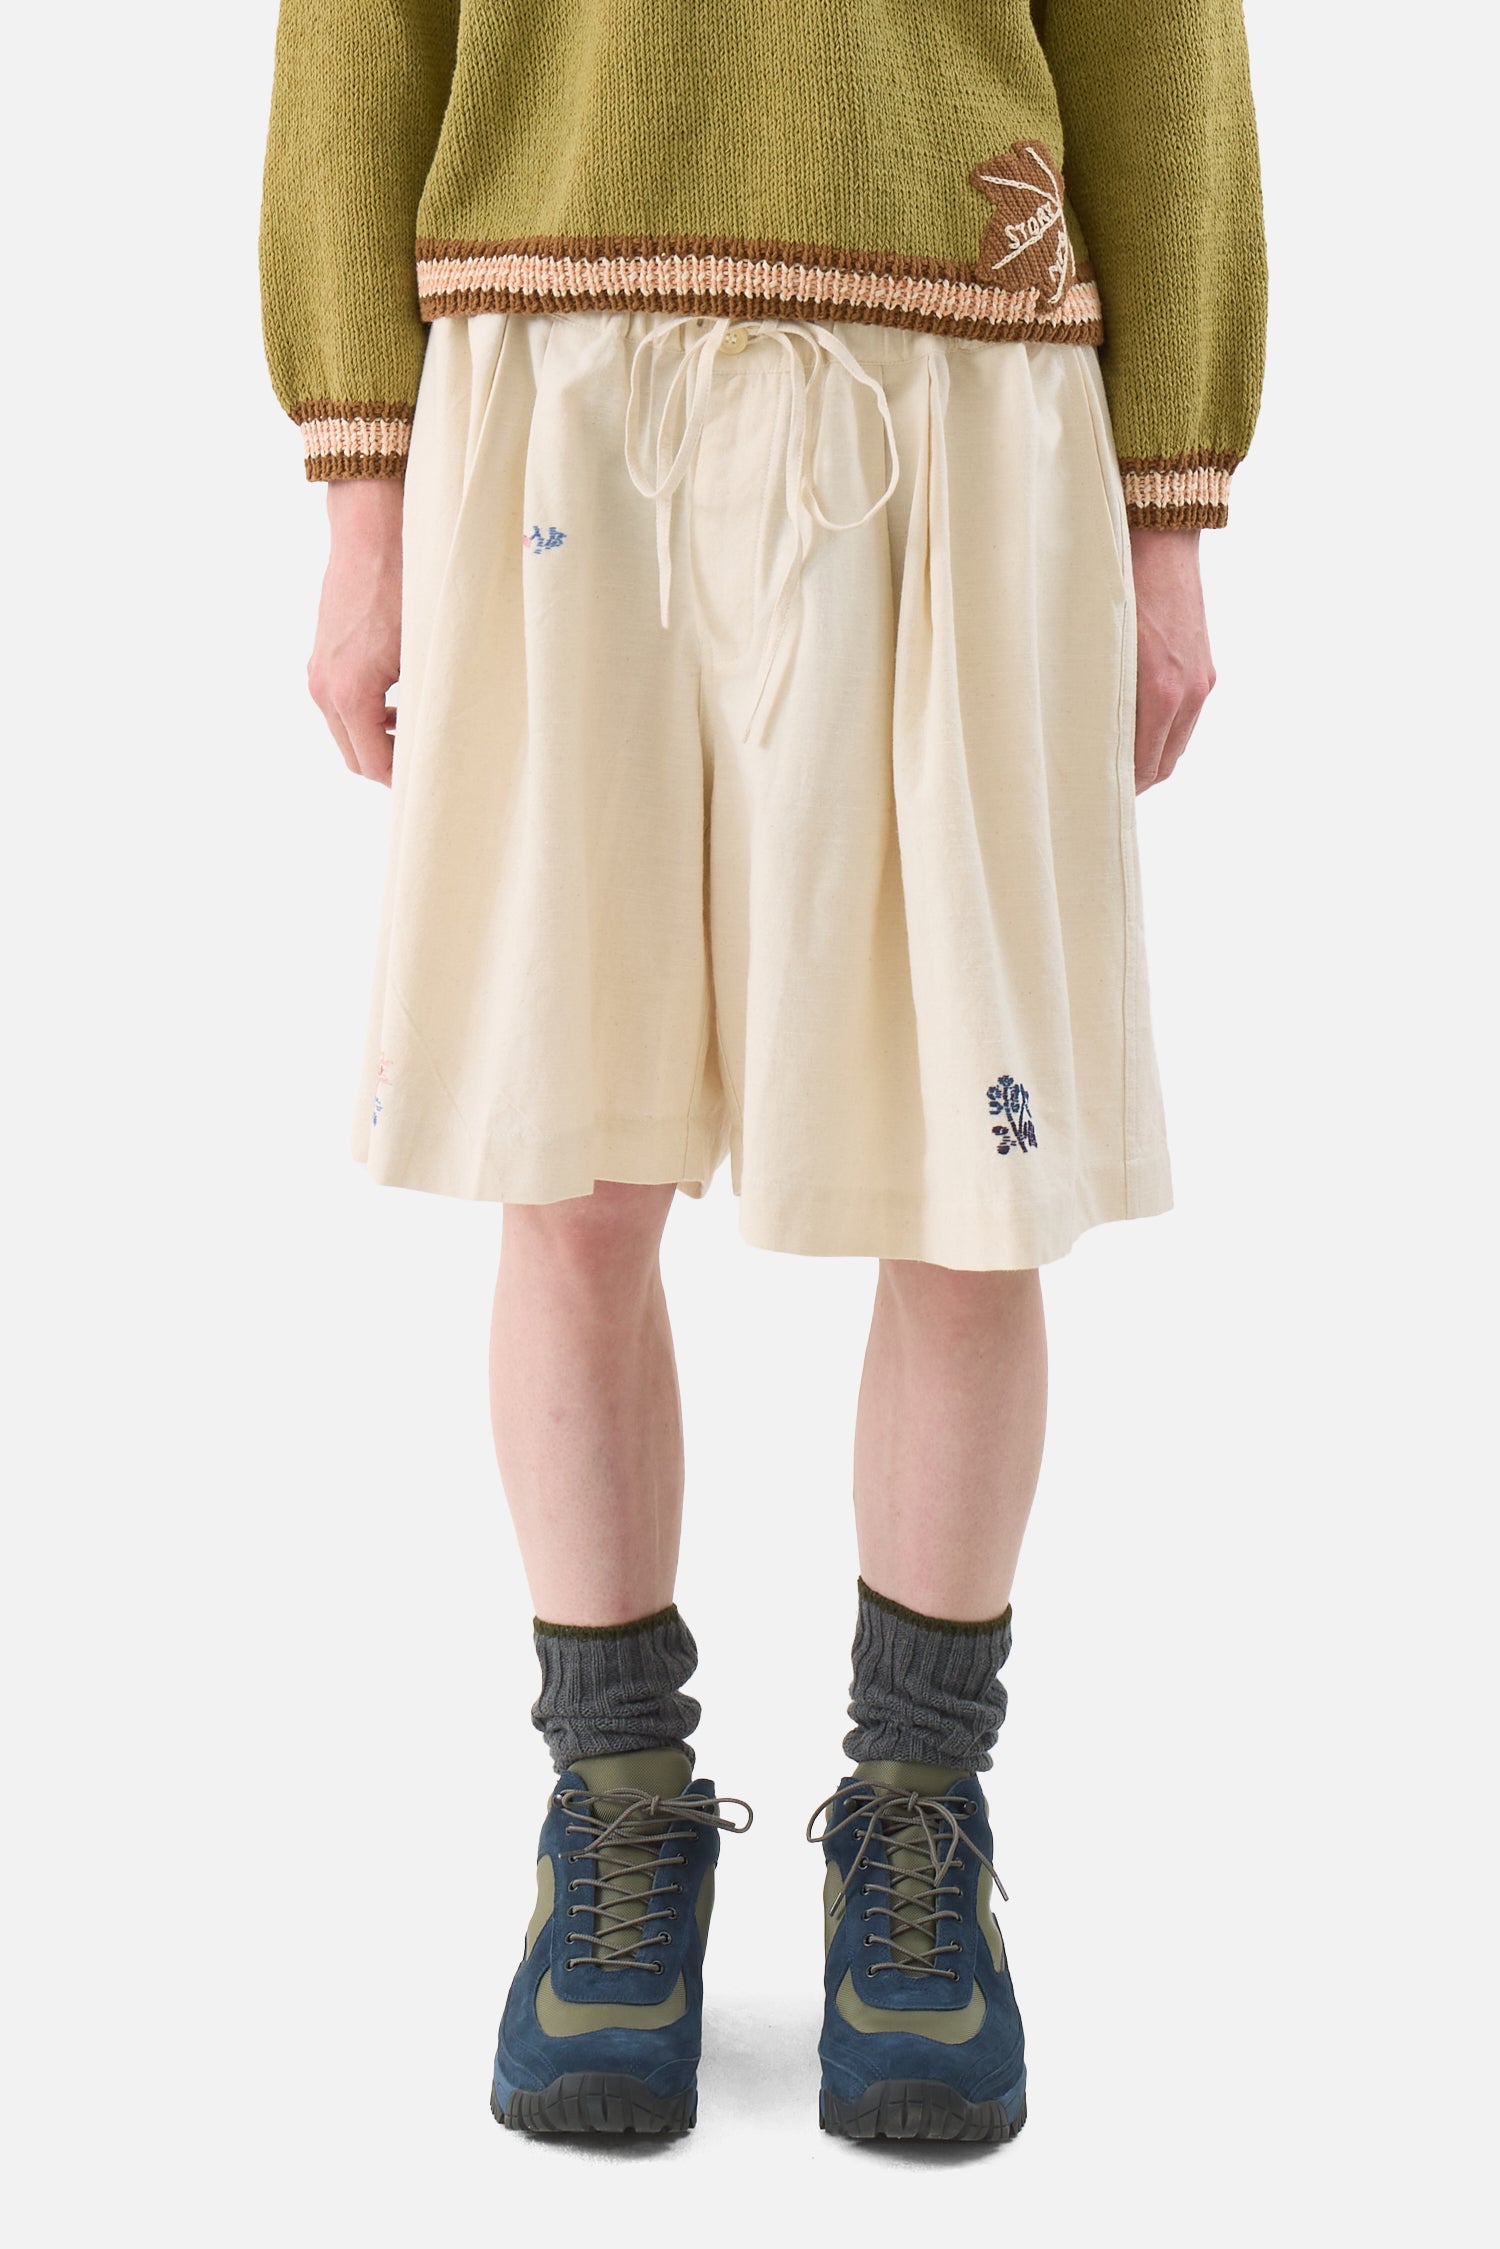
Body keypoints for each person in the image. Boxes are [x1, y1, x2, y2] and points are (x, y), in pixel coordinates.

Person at [260, 1, 1266, 2145]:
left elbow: (1165, 34)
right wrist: (358, 487)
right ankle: (618, 1805)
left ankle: (920, 1820)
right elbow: (356, 28)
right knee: (569, 1166)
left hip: (959, 375)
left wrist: (1173, 501)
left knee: (971, 1179)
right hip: (548, 365)